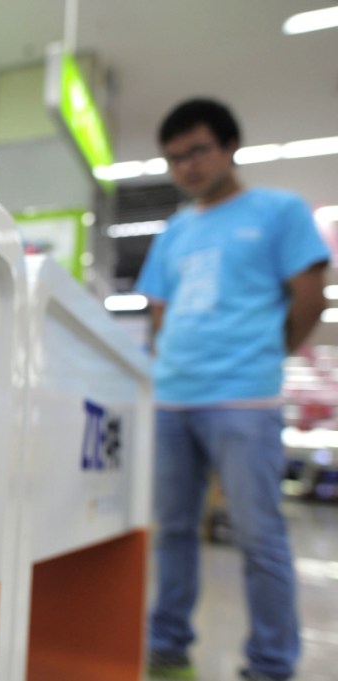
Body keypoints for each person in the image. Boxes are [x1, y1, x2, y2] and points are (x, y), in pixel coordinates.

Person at [135, 98, 330, 681]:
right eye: (174, 159)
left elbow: (310, 296)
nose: (187, 167)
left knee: (258, 535)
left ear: (227, 147)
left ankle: (270, 665)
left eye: (196, 151)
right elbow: (158, 310)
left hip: (244, 398)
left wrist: (265, 354)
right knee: (172, 531)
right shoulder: (174, 230)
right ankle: (168, 645)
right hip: (173, 397)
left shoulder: (279, 211)